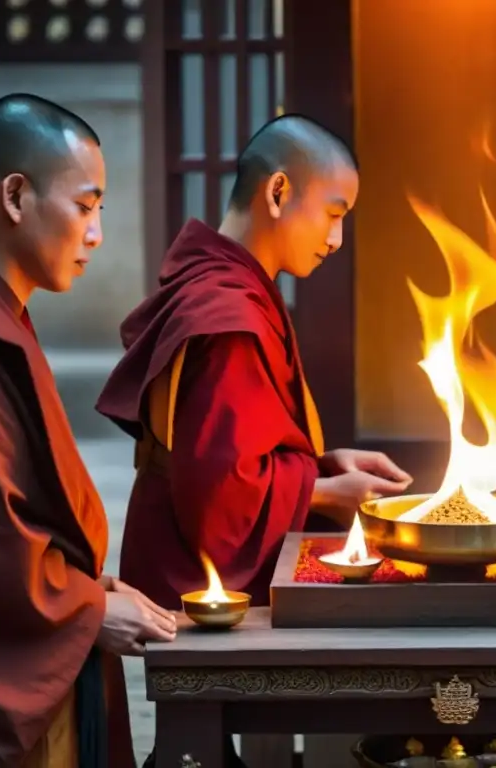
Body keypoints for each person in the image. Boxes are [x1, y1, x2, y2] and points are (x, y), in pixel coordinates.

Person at [0, 94, 176, 768]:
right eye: (85, 206)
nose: (96, 233)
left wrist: (92, 586)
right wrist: (83, 607)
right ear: (16, 197)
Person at [96, 114, 412, 613]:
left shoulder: (228, 286)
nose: (337, 239)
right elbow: (221, 494)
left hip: (169, 535)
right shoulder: (227, 314)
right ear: (279, 192)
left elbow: (235, 450)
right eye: (333, 214)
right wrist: (326, 494)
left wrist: (323, 466)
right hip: (200, 583)